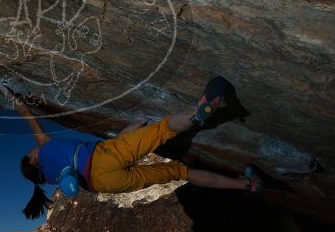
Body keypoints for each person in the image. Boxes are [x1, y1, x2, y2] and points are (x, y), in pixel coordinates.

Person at [14, 76, 265, 219]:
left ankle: (246, 185)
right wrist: (15, 101)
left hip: (105, 184)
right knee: (164, 129)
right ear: (34, 161)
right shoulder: (45, 148)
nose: (33, 150)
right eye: (30, 153)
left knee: (181, 173)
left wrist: (126, 132)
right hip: (102, 158)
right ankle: (197, 115)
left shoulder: (52, 177)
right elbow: (29, 117)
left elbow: (98, 159)